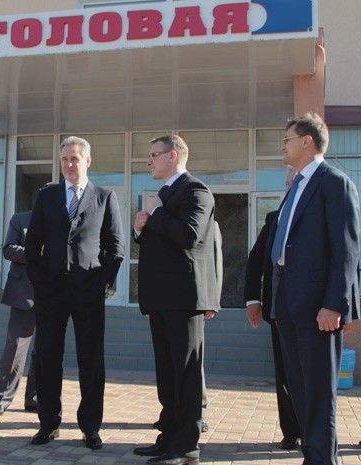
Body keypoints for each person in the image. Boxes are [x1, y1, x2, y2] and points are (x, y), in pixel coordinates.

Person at [264, 112, 360, 465]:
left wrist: (335, 304)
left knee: (319, 391)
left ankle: (322, 460)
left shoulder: (334, 182)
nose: (283, 145)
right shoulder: (297, 187)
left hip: (319, 306)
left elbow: (346, 249)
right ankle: (313, 455)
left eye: (287, 138)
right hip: (288, 302)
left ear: (307, 141)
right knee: (300, 389)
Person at [25, 136, 124, 450]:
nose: (69, 164)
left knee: (91, 361)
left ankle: (90, 426)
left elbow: (116, 247)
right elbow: (32, 244)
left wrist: (102, 283)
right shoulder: (46, 196)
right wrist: (40, 278)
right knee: (47, 359)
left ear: (88, 161)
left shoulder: (105, 197)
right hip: (51, 292)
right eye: (64, 159)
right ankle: (48, 423)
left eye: (74, 159)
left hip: (88, 291)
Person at [132, 135, 217, 465]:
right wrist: (141, 229)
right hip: (161, 300)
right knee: (167, 374)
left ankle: (185, 447)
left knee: (186, 374)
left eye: (154, 155)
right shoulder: (165, 195)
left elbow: (189, 235)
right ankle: (168, 437)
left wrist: (154, 214)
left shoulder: (196, 191)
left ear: (173, 155)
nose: (149, 161)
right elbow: (161, 243)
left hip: (183, 299)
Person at [244, 166, 301, 450]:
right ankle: (291, 431)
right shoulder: (274, 218)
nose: (291, 187)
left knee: (311, 375)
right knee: (286, 375)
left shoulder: (319, 214)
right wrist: (254, 300)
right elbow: (256, 261)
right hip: (279, 312)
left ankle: (314, 431)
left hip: (313, 314)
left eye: (296, 182)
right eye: (288, 182)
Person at [0, 209, 38, 416]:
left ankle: (35, 399)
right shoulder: (20, 219)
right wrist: (36, 252)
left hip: (53, 294)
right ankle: (2, 398)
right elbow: (8, 249)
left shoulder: (63, 220)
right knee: (15, 346)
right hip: (23, 293)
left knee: (45, 351)